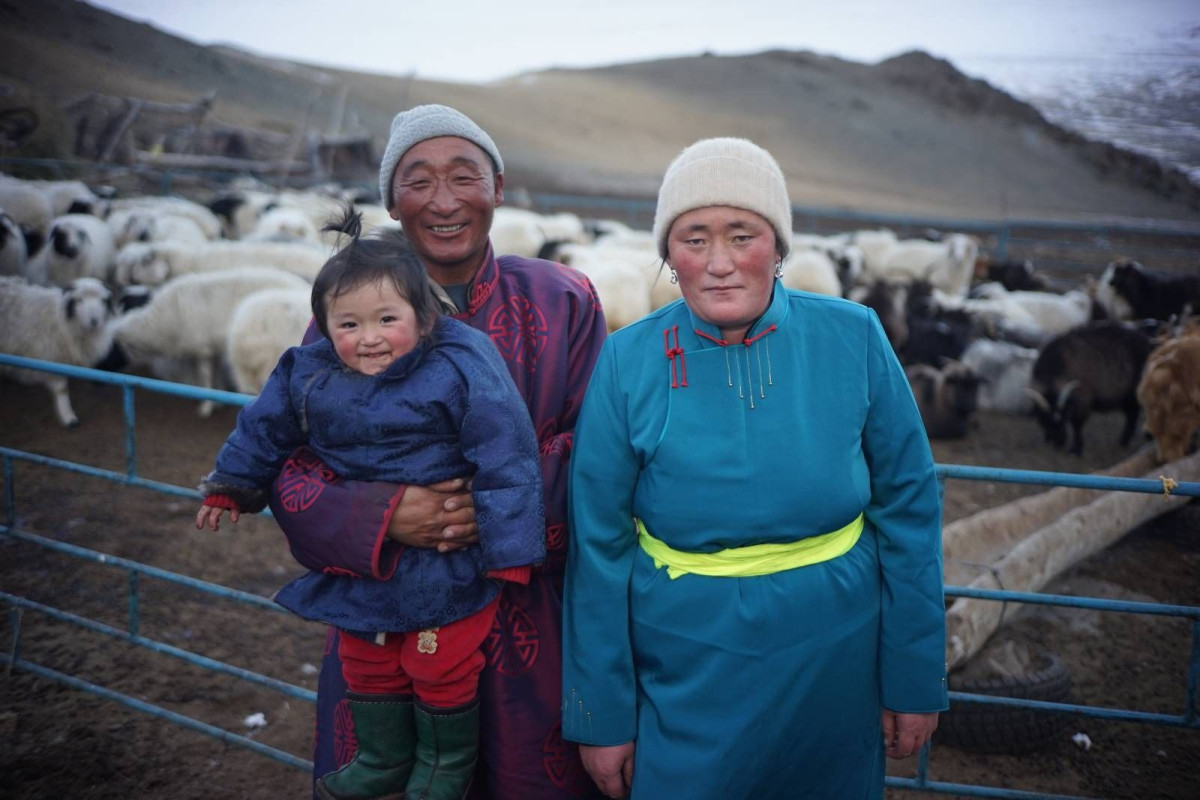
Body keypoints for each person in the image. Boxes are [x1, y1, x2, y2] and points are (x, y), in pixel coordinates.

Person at [561, 137, 948, 799]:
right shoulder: (628, 363)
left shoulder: (853, 337)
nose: (719, 264)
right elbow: (597, 547)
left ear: (778, 243)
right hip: (684, 664)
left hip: (835, 661)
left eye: (742, 235)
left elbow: (909, 510)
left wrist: (913, 677)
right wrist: (601, 715)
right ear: (666, 253)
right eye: (693, 239)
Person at [266, 105, 608, 798]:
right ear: (393, 199)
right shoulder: (347, 312)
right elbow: (288, 459)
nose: (445, 201)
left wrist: (493, 510)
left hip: (527, 618)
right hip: (385, 612)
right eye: (419, 181)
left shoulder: (561, 298)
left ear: (499, 187)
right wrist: (386, 515)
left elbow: (601, 445)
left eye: (464, 176)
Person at [195, 215, 546, 800]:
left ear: (424, 318)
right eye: (349, 324)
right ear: (325, 328)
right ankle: (383, 757)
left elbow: (506, 450)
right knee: (367, 657)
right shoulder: (308, 372)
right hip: (365, 560)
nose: (371, 338)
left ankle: (443, 767)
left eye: (388, 319)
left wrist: (510, 551)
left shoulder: (458, 363)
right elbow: (264, 427)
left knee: (441, 665)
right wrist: (233, 482)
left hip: (446, 561)